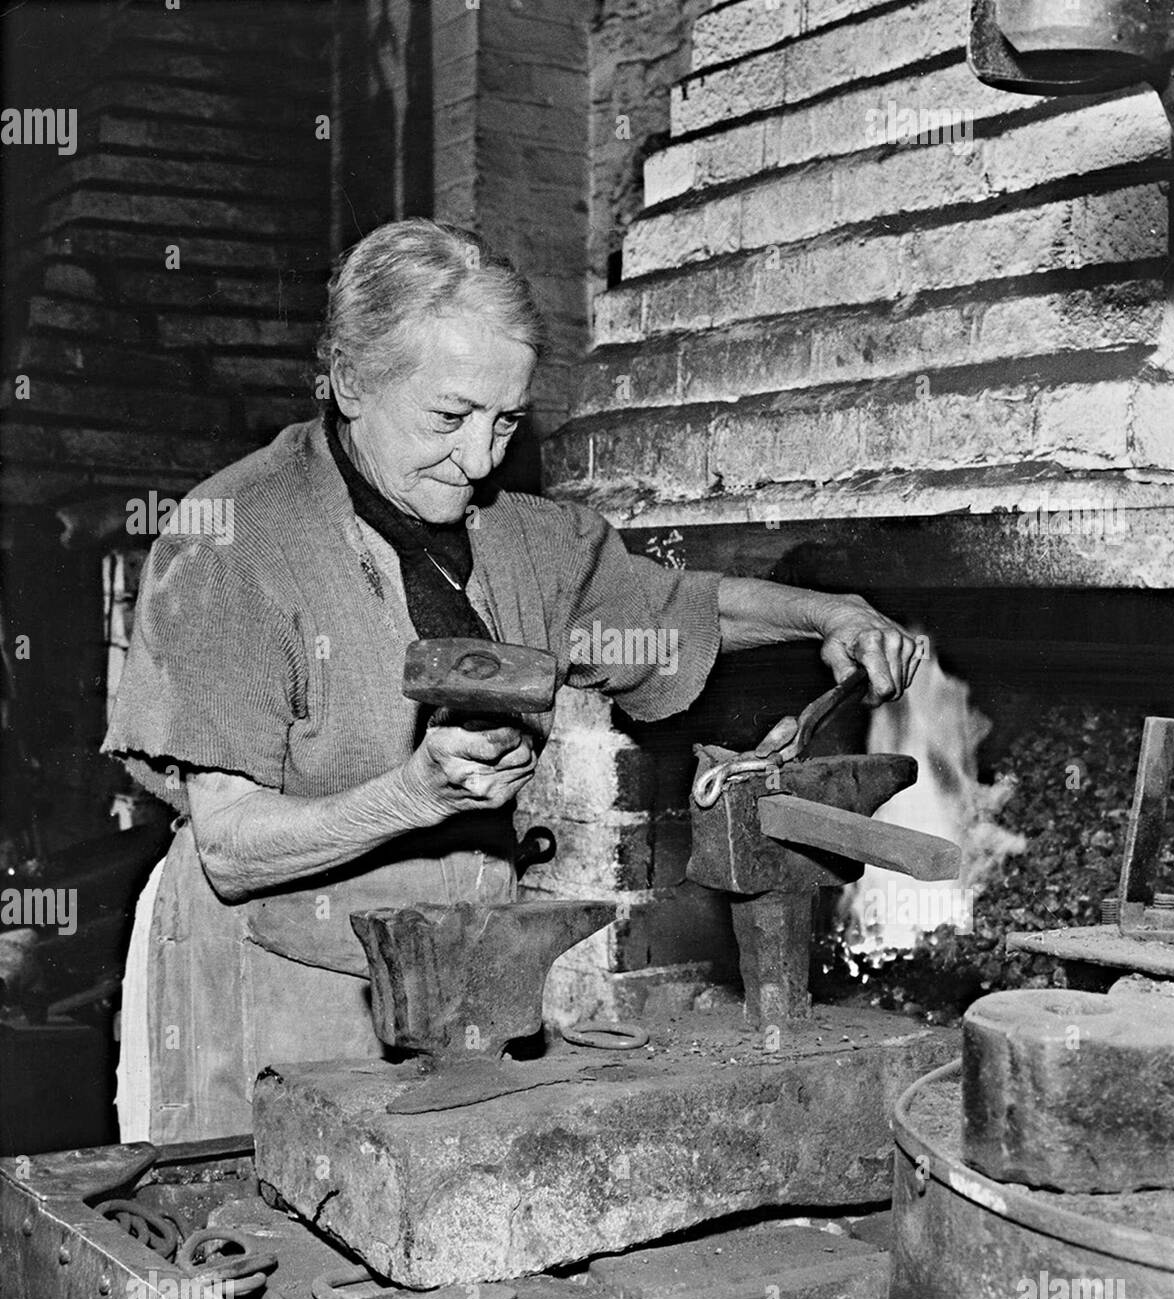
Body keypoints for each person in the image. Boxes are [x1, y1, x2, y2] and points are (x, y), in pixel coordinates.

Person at [103, 218, 922, 1144]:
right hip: (276, 971)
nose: (482, 458)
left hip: (464, 977)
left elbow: (679, 609)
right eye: (449, 418)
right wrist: (414, 795)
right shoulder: (236, 539)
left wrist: (829, 614)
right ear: (349, 379)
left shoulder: (521, 537)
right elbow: (232, 848)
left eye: (506, 422)